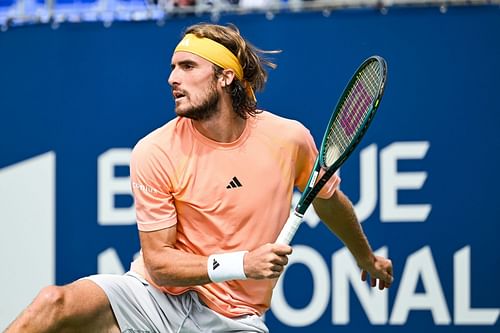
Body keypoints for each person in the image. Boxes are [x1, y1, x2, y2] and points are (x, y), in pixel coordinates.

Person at [5, 23, 393, 333]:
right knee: (53, 304)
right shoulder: (155, 150)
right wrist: (244, 263)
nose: (173, 78)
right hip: (154, 299)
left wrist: (366, 257)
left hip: (237, 319)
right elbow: (158, 263)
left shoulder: (287, 139)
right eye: (173, 67)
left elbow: (328, 202)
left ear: (225, 78)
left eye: (188, 67)